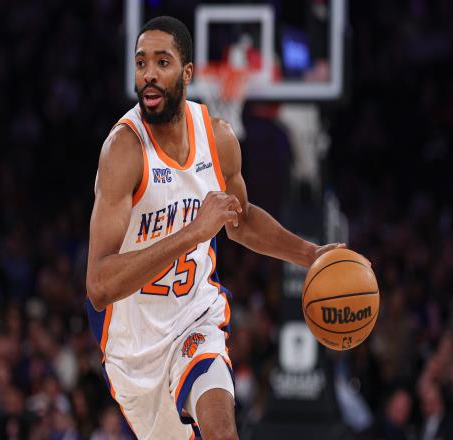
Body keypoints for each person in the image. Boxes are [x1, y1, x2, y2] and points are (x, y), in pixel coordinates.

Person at [86, 16, 344, 440]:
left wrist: (311, 254)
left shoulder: (218, 137)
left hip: (196, 318)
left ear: (187, 73)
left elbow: (240, 219)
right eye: (141, 62)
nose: (149, 74)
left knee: (223, 431)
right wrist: (192, 232)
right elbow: (99, 285)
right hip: (133, 350)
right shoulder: (124, 151)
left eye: (162, 62)